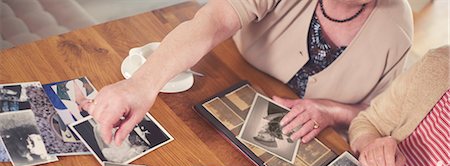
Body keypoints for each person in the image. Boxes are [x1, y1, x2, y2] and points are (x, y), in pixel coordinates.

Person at [83, 0, 413, 145]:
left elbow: (380, 115)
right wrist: (143, 83)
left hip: (305, 141)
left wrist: (330, 111)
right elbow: (214, 19)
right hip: (218, 83)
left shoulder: (396, 28)